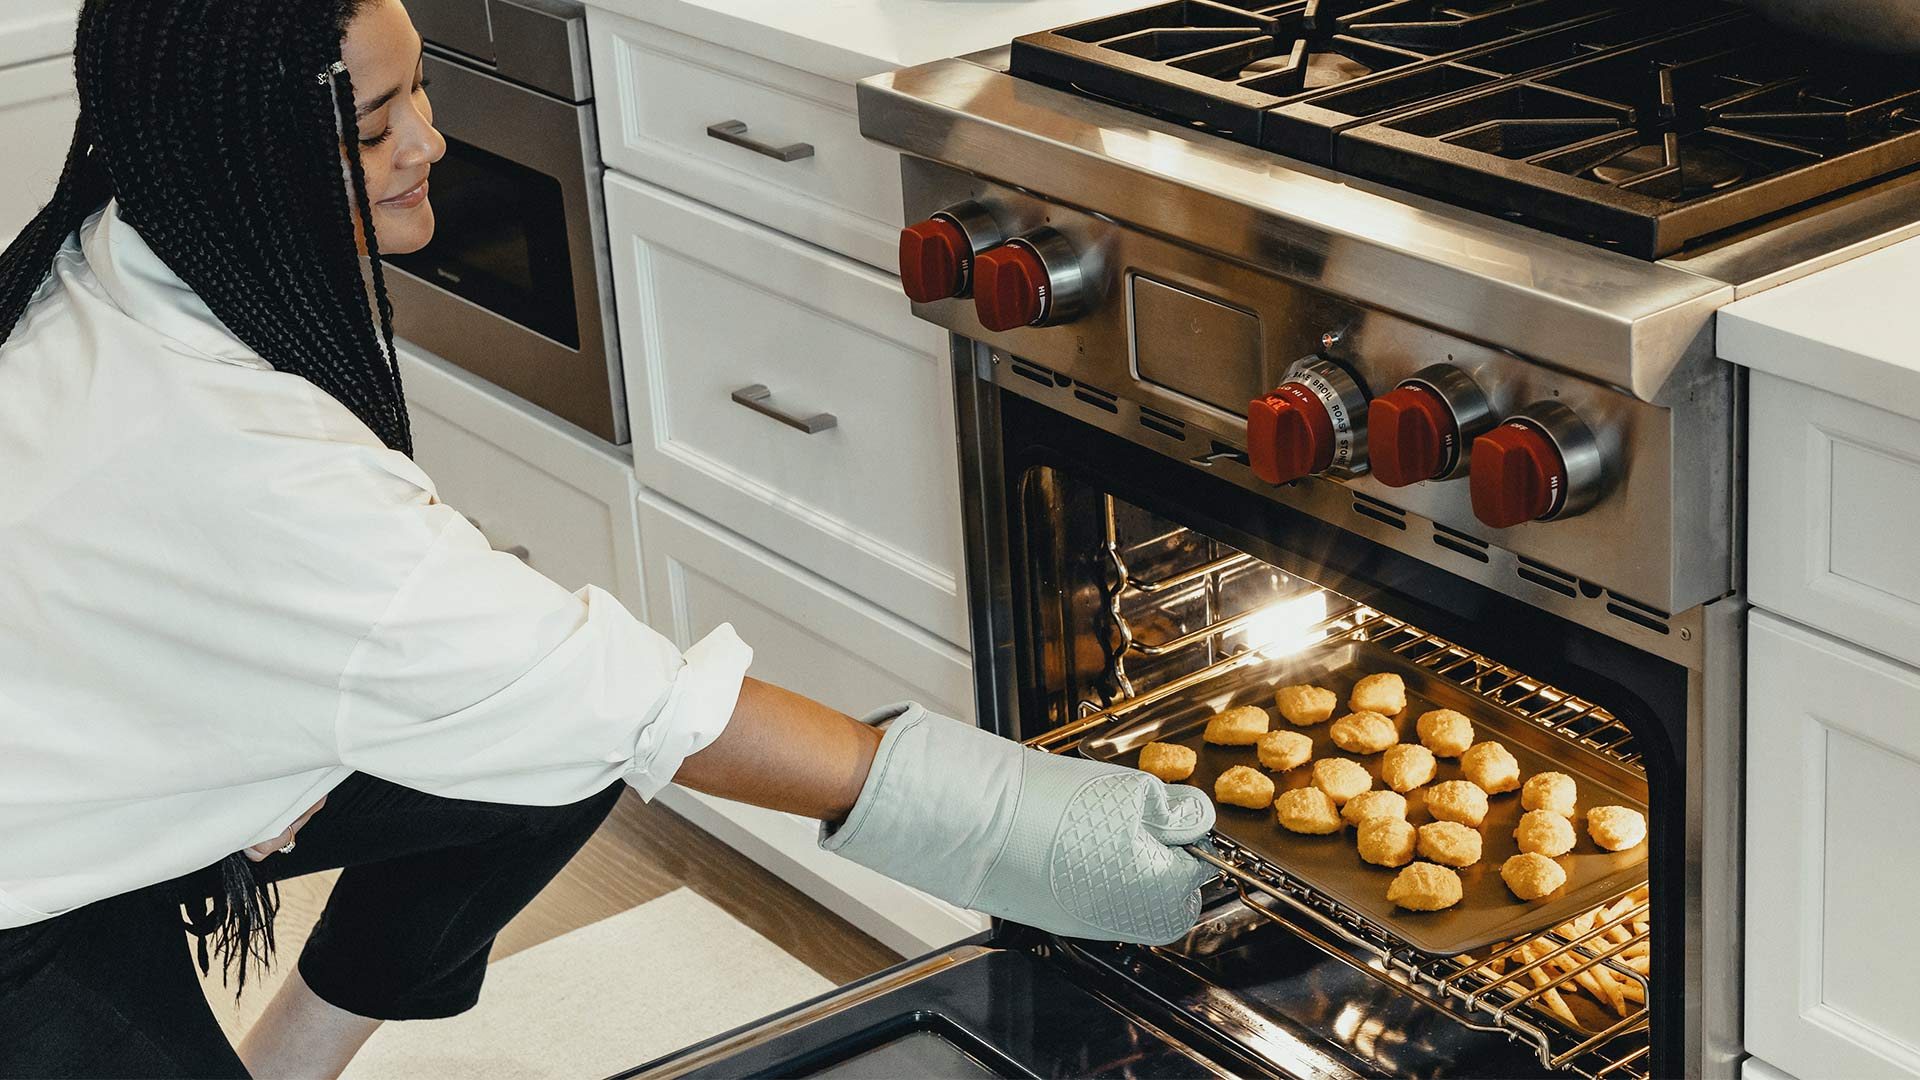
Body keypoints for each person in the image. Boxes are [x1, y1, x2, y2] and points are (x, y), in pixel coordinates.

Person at [0, 2, 1217, 1077]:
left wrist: (259, 722)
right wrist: (1012, 822)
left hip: (83, 742)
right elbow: (639, 703)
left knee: (539, 762)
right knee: (578, 718)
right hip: (25, 893)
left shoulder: (129, 245)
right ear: (233, 153)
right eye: (371, 128)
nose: (427, 142)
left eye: (419, 87)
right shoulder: (246, 458)